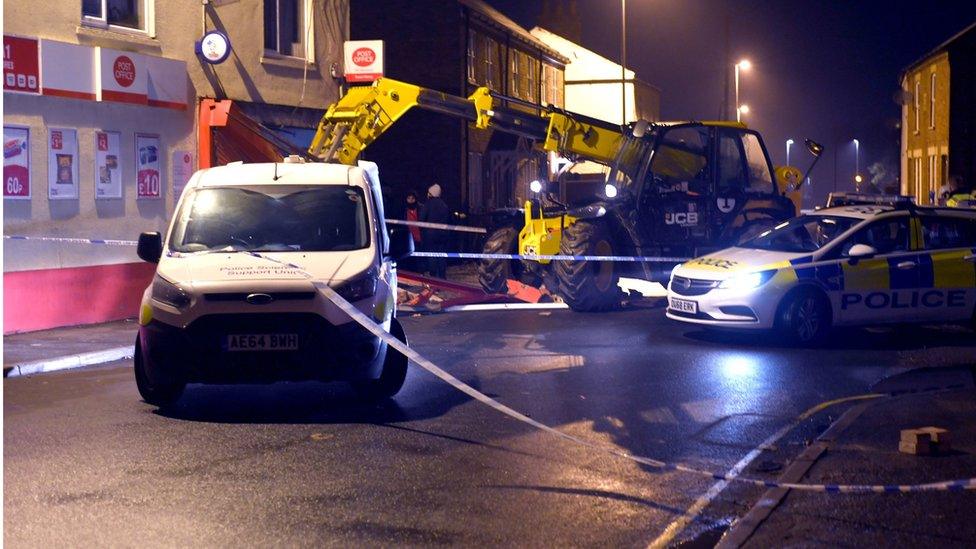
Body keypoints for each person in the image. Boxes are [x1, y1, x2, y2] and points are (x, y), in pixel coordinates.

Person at [420, 183, 450, 278]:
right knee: (442, 256)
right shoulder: (444, 205)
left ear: (430, 193)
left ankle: (433, 277)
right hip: (443, 235)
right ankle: (442, 277)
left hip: (430, 235)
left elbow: (421, 219)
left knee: (432, 256)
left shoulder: (427, 205)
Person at [399, 190, 424, 272]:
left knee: (419, 260)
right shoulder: (403, 209)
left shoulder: (421, 208)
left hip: (419, 238)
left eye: (412, 198)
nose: (410, 200)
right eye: (408, 198)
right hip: (408, 238)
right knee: (409, 260)